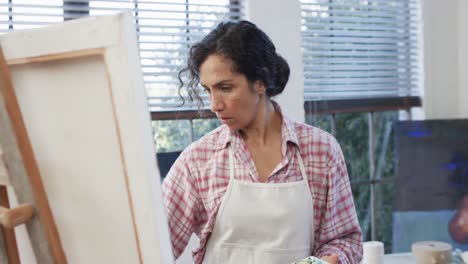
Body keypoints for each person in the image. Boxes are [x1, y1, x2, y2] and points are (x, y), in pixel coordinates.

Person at [161, 20, 363, 264]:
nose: (215, 105)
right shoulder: (198, 160)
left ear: (260, 82)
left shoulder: (321, 151)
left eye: (225, 88)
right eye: (208, 90)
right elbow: (154, 246)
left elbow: (345, 241)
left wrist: (329, 261)